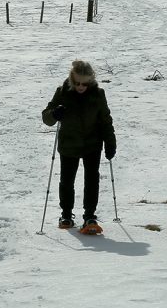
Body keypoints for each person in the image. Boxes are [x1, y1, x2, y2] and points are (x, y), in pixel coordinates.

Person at [41, 60, 116, 234]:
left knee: (92, 180)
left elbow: (106, 120)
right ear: (71, 79)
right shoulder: (62, 93)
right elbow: (46, 118)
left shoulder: (98, 94)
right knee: (67, 181)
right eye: (77, 83)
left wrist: (110, 142)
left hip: (92, 144)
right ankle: (66, 214)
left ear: (91, 80)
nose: (80, 86)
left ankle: (89, 216)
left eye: (84, 83)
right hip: (69, 144)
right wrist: (54, 114)